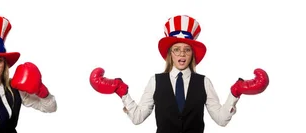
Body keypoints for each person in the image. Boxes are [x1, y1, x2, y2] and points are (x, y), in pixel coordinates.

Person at [88, 15, 269, 133]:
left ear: (192, 54)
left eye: (186, 50)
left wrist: (235, 93)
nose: (182, 54)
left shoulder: (204, 82)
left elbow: (221, 120)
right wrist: (122, 92)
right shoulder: (155, 81)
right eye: (176, 49)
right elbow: (137, 118)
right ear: (170, 54)